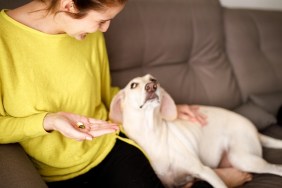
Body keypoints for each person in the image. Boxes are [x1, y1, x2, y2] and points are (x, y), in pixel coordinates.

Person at [0, 0, 251, 187]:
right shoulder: (4, 41)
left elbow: (102, 92)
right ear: (69, 5)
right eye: (101, 20)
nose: (106, 29)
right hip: (54, 171)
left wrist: (163, 105)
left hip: (110, 147)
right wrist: (49, 121)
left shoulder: (88, 35)